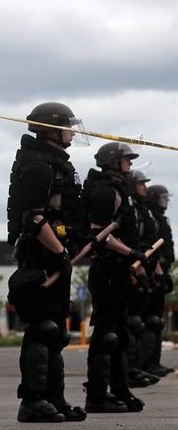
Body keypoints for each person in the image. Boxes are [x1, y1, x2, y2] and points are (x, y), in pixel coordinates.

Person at [6, 101, 88, 423]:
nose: (72, 132)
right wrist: (58, 253)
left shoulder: (55, 163)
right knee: (43, 328)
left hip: (57, 253)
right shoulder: (38, 165)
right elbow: (33, 218)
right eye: (67, 126)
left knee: (58, 333)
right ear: (52, 129)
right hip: (41, 254)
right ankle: (32, 401)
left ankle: (55, 399)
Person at [81, 142, 146, 413]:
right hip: (107, 268)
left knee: (119, 334)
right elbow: (100, 235)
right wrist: (131, 252)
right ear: (113, 161)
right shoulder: (105, 191)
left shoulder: (121, 190)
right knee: (106, 334)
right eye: (126, 160)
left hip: (119, 269)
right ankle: (96, 396)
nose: (130, 165)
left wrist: (135, 261)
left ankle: (120, 390)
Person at [124, 169, 161, 388]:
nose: (144, 187)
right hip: (127, 269)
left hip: (142, 266)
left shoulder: (140, 209)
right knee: (131, 323)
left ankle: (137, 368)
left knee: (144, 322)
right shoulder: (128, 208)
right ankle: (128, 371)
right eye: (140, 183)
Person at [142, 184, 175, 377]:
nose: (166, 202)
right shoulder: (151, 217)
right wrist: (158, 271)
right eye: (162, 198)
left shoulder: (160, 218)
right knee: (150, 321)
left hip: (162, 270)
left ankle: (154, 362)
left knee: (157, 321)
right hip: (154, 271)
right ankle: (146, 363)